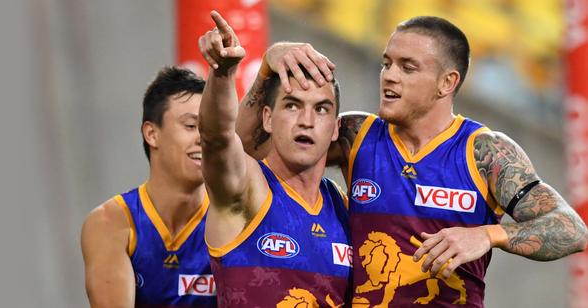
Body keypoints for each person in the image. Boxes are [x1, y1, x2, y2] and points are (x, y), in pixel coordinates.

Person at [241, 16, 588, 307]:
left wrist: (486, 235)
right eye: (387, 63)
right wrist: (266, 69)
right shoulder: (356, 135)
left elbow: (572, 230)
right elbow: (245, 148)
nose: (389, 76)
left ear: (446, 83)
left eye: (408, 68)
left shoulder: (484, 152)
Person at [197, 11, 351, 307]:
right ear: (267, 118)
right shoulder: (247, 188)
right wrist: (222, 73)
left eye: (321, 109)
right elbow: (216, 138)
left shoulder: (343, 209)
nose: (306, 120)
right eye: (293, 106)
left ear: (335, 128)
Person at [81, 67, 217, 307]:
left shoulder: (232, 220)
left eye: (209, 127)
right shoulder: (111, 223)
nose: (203, 137)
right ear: (152, 134)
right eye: (190, 126)